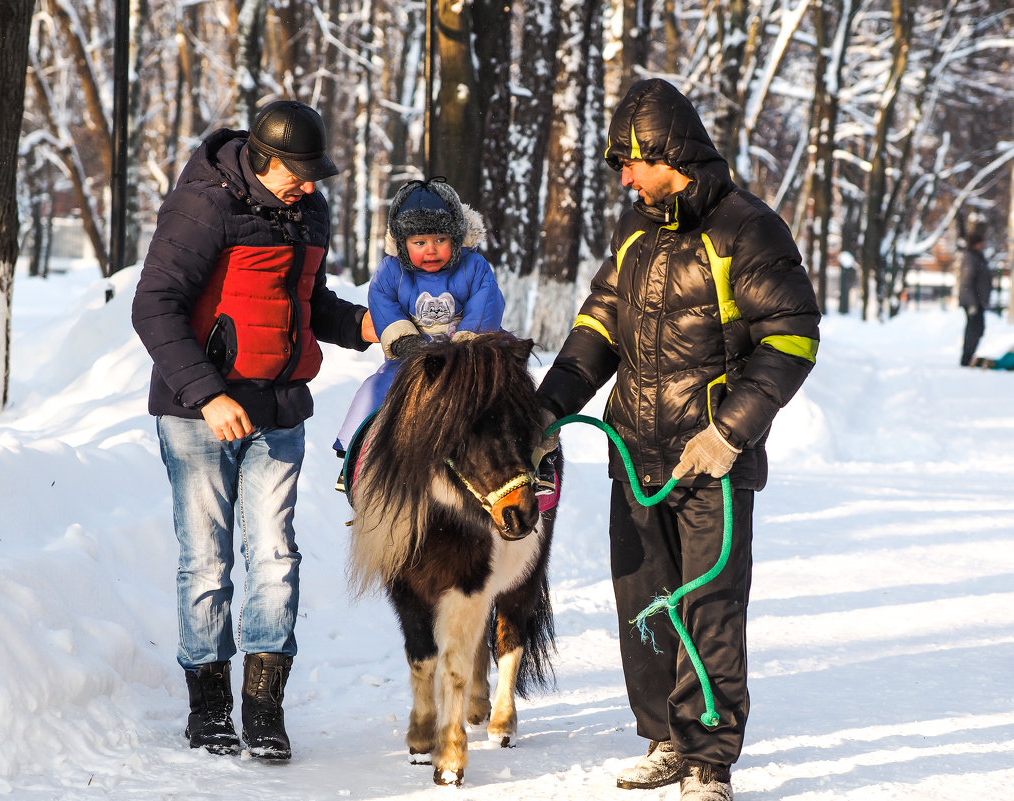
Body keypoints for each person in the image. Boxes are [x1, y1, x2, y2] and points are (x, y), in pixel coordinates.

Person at [535, 79, 821, 800]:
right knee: (644, 603)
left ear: (670, 154)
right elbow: (597, 329)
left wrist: (730, 433)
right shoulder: (637, 233)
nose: (624, 178)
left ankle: (707, 760)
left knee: (709, 606)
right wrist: (544, 409)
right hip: (635, 455)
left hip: (709, 463)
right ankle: (666, 737)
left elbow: (790, 339)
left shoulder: (747, 229)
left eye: (631, 162)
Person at [131, 99, 377, 761]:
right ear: (264, 161)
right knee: (207, 563)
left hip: (278, 412)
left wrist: (364, 326)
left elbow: (308, 302)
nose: (310, 184)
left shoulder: (309, 210)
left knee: (275, 558)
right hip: (197, 415)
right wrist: (207, 394)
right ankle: (209, 708)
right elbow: (154, 305)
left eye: (315, 174)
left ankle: (263, 710)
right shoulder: (205, 203)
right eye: (300, 172)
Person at [332, 177, 505, 479]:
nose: (430, 251)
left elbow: (486, 300)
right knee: (377, 389)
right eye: (419, 242)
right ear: (402, 243)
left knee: (506, 386)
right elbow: (382, 301)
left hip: (471, 354)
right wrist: (404, 340)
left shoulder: (474, 266)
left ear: (455, 237)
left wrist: (469, 341)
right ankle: (358, 455)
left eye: (440, 240)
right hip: (411, 358)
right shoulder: (391, 270)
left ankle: (530, 453)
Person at [958, 230, 991, 367]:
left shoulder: (978, 256)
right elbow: (967, 281)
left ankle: (968, 356)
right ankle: (966, 358)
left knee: (978, 329)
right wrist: (972, 303)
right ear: (976, 243)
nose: (983, 244)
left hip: (979, 301)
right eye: (981, 242)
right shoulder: (971, 258)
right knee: (974, 329)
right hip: (973, 302)